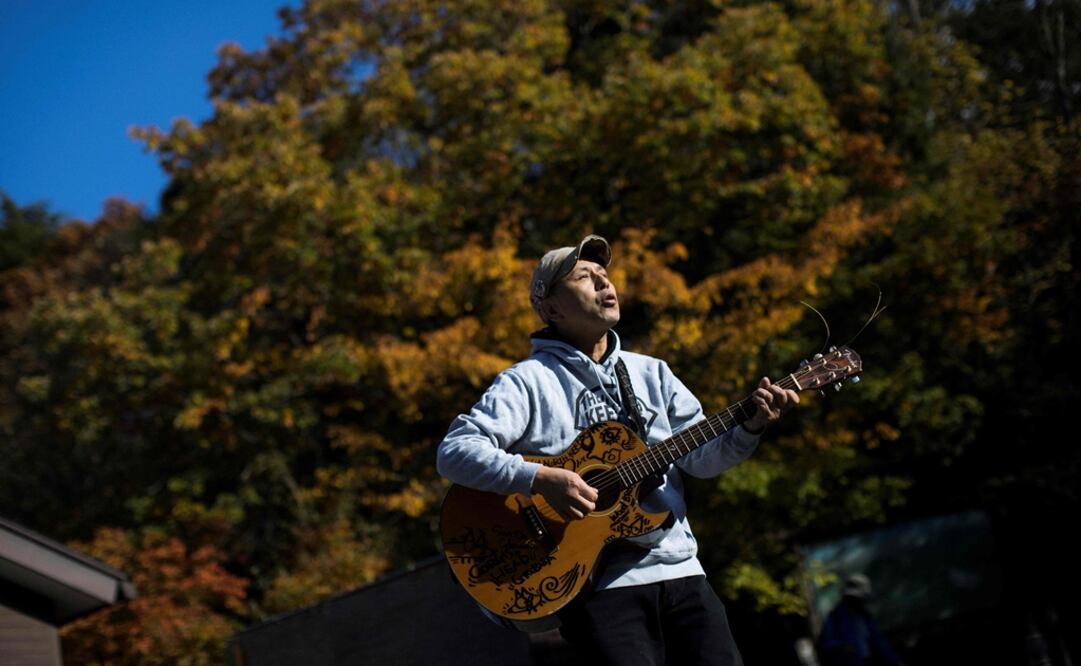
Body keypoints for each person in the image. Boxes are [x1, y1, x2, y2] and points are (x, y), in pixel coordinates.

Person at [436, 234, 799, 665]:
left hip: (684, 573)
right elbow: (455, 451)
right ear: (550, 308)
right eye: (585, 277)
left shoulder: (653, 373)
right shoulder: (526, 381)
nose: (604, 284)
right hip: (598, 589)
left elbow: (701, 460)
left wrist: (750, 427)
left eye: (605, 276)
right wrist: (540, 479)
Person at [817, 574, 905, 666]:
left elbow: (879, 644)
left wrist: (896, 662)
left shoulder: (865, 617)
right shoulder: (836, 618)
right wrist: (844, 648)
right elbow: (827, 646)